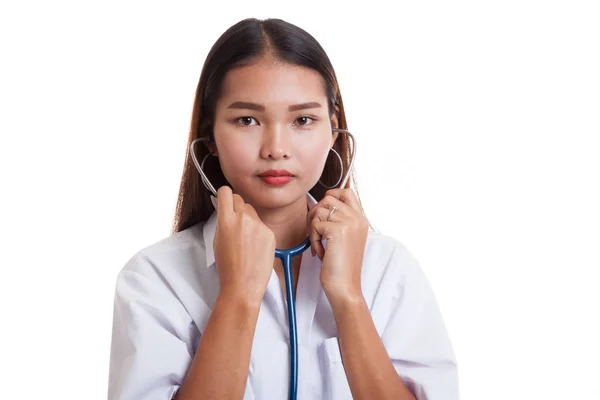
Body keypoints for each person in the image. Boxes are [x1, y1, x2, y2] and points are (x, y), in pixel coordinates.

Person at [108, 17, 458, 400]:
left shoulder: (387, 268)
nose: (276, 147)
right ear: (209, 137)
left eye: (303, 120)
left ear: (333, 129)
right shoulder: (156, 279)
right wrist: (237, 296)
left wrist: (348, 299)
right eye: (247, 120)